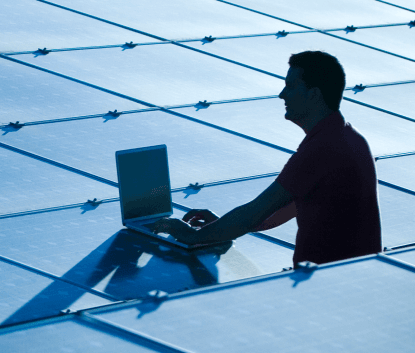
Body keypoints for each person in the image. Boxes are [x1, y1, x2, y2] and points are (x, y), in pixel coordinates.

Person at [151, 50, 382, 266]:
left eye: (290, 87)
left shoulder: (322, 149)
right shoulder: (348, 137)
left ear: (313, 94)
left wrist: (191, 236)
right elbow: (285, 208)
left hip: (326, 287)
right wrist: (220, 227)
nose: (282, 94)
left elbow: (255, 211)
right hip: (348, 280)